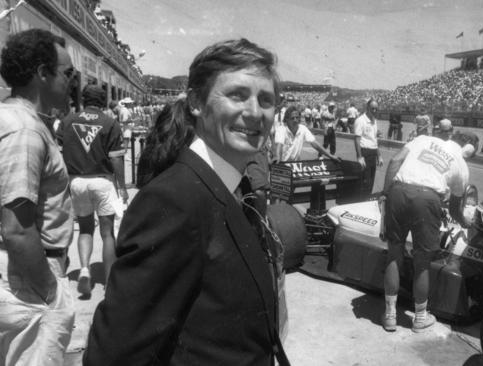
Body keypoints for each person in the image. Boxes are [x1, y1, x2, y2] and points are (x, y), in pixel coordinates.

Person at [85, 38, 290, 366]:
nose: (254, 112)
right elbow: (114, 354)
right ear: (196, 101)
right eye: (237, 94)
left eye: (266, 99)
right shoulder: (175, 199)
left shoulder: (232, 186)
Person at [0, 28, 76, 365]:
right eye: (68, 74)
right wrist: (50, 293)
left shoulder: (15, 121)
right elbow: (16, 227)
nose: (72, 83)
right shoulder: (25, 130)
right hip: (28, 280)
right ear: (42, 73)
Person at [380, 133, 469, 333]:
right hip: (428, 199)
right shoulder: (461, 164)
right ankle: (420, 317)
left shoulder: (422, 139)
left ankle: (390, 315)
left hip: (399, 192)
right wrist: (466, 222)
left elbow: (395, 161)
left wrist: (385, 194)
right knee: (422, 262)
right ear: (467, 149)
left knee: (394, 253)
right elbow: (455, 210)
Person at [58, 84, 128, 296]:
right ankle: (108, 282)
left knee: (86, 229)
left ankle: (85, 270)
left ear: (83, 100)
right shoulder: (110, 123)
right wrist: (122, 187)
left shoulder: (68, 121)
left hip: (77, 182)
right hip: (102, 181)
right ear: (103, 101)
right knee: (107, 234)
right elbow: (116, 160)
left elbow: (59, 154)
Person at [274, 105, 340, 162]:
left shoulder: (303, 128)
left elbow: (314, 143)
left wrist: (330, 156)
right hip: (282, 164)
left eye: (297, 117)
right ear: (287, 119)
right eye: (292, 118)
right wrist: (277, 158)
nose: (295, 120)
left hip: (295, 164)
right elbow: (279, 145)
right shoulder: (281, 129)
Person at [354, 99, 383, 198]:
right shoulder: (360, 120)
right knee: (364, 181)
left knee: (371, 180)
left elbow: (374, 140)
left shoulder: (374, 121)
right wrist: (359, 157)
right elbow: (357, 139)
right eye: (372, 109)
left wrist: (379, 156)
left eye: (376, 109)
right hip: (364, 152)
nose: (374, 111)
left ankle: (366, 200)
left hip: (373, 152)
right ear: (367, 108)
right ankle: (361, 201)